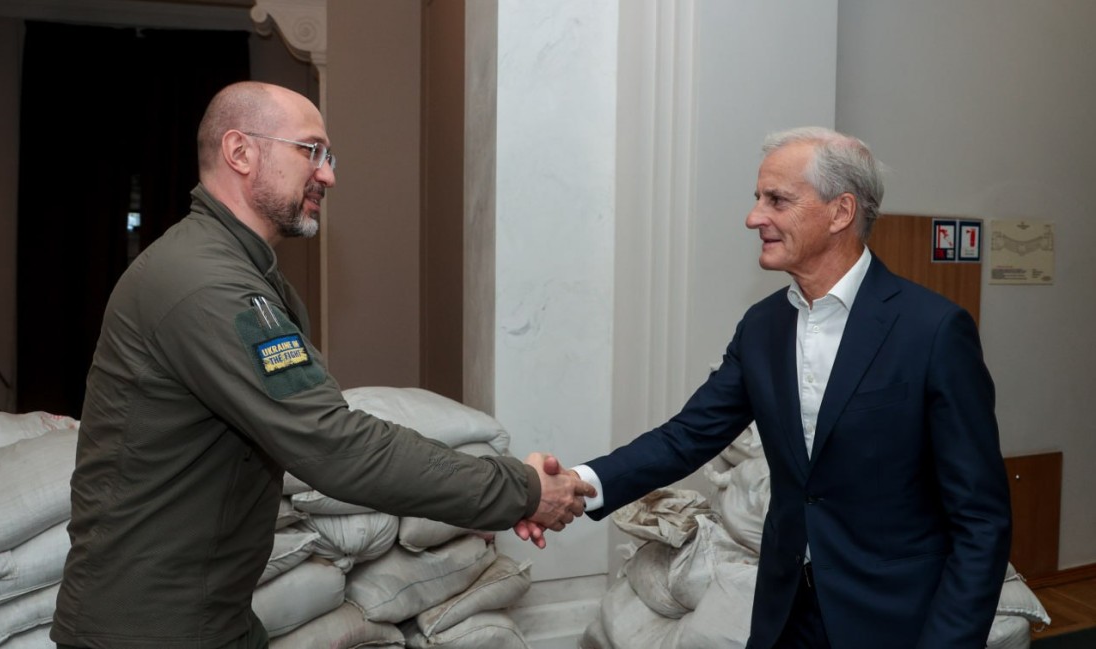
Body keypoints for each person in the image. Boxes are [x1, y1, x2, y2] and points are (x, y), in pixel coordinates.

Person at [51, 81, 594, 649]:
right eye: (310, 151)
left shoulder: (249, 277)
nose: (328, 175)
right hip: (147, 631)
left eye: (329, 157)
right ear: (240, 152)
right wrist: (520, 490)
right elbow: (336, 446)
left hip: (212, 618)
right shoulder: (206, 283)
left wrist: (494, 494)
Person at [518, 127, 1012, 648]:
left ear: (840, 212)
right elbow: (687, 436)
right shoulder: (763, 326)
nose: (754, 217)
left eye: (776, 200)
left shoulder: (932, 330)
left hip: (892, 618)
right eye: (758, 198)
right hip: (785, 614)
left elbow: (982, 519)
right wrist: (578, 482)